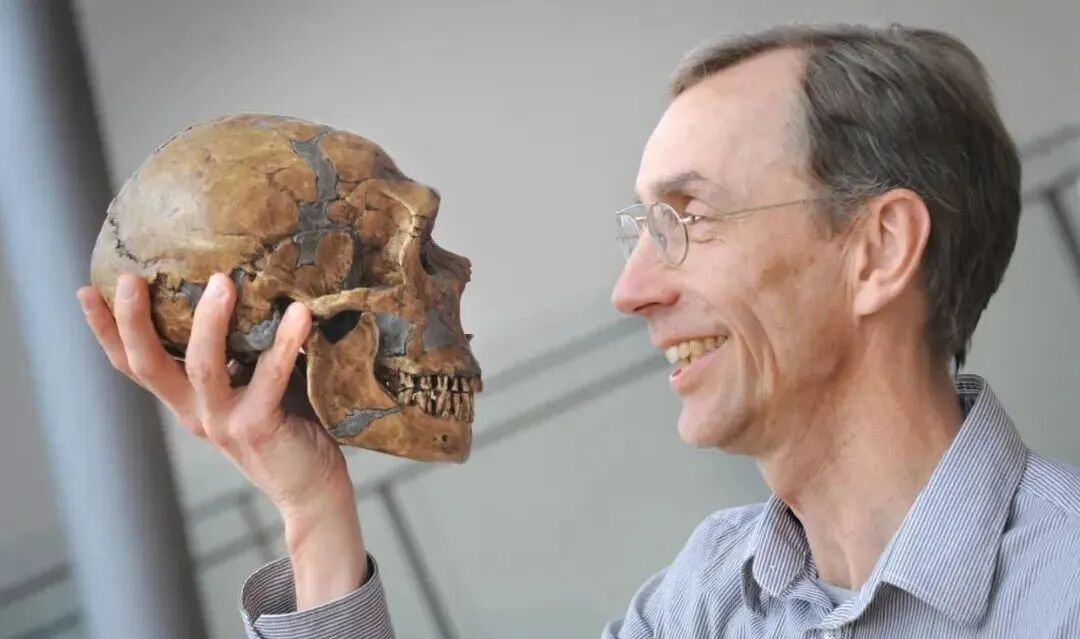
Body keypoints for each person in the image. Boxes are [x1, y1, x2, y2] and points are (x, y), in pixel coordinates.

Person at [76, 23, 1080, 639]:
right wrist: (312, 510)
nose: (631, 291)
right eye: (641, 231)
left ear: (878, 249)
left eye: (686, 219)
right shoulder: (701, 604)